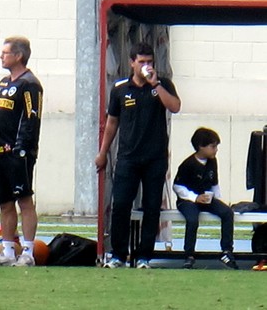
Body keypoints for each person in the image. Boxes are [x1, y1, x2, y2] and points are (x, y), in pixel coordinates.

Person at [95, 42, 181, 269]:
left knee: (152, 206)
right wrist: (103, 152)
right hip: (128, 157)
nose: (146, 66)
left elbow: (175, 107)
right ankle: (119, 254)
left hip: (155, 157)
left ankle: (144, 255)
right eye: (141, 62)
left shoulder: (163, 85)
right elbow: (112, 121)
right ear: (132, 63)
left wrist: (156, 85)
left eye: (149, 61)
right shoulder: (121, 88)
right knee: (121, 204)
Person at [0, 36, 43, 267]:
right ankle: (7, 251)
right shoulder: (3, 83)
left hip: (18, 154)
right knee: (5, 203)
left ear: (18, 56)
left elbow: (31, 119)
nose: (1, 56)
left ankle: (28, 251)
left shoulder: (30, 84)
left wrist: (21, 150)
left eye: (5, 53)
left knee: (24, 201)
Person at [173, 127, 238, 269]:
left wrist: (219, 200)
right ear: (201, 147)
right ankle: (189, 254)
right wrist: (195, 198)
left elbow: (214, 183)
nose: (216, 150)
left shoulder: (212, 162)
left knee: (227, 213)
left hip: (206, 199)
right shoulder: (188, 164)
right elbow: (177, 187)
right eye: (213, 146)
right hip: (188, 201)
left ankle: (227, 251)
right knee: (192, 219)